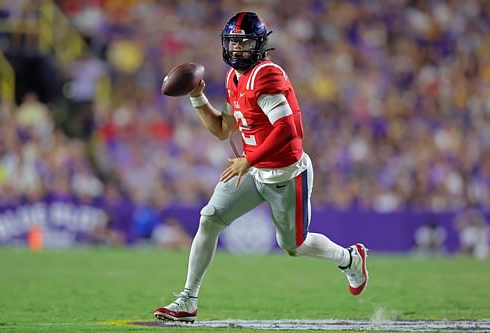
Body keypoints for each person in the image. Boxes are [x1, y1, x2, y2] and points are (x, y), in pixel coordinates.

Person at [154, 12, 368, 323]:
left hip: (285, 174)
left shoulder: (266, 76)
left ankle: (350, 259)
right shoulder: (233, 78)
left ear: (259, 45)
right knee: (209, 218)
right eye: (233, 42)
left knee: (294, 245)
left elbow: (287, 130)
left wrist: (248, 160)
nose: (237, 49)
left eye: (244, 43)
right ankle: (188, 299)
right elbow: (221, 128)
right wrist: (197, 96)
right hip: (253, 170)